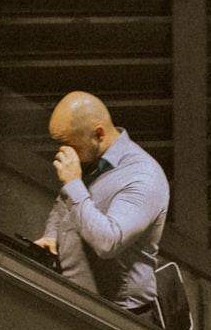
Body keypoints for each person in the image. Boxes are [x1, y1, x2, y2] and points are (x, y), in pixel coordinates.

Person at [33, 91, 169, 318]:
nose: (63, 154)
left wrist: (74, 182)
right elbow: (64, 203)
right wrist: (52, 236)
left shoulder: (143, 176)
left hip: (119, 317)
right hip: (75, 303)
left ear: (98, 135)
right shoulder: (90, 160)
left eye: (69, 145)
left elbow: (109, 242)